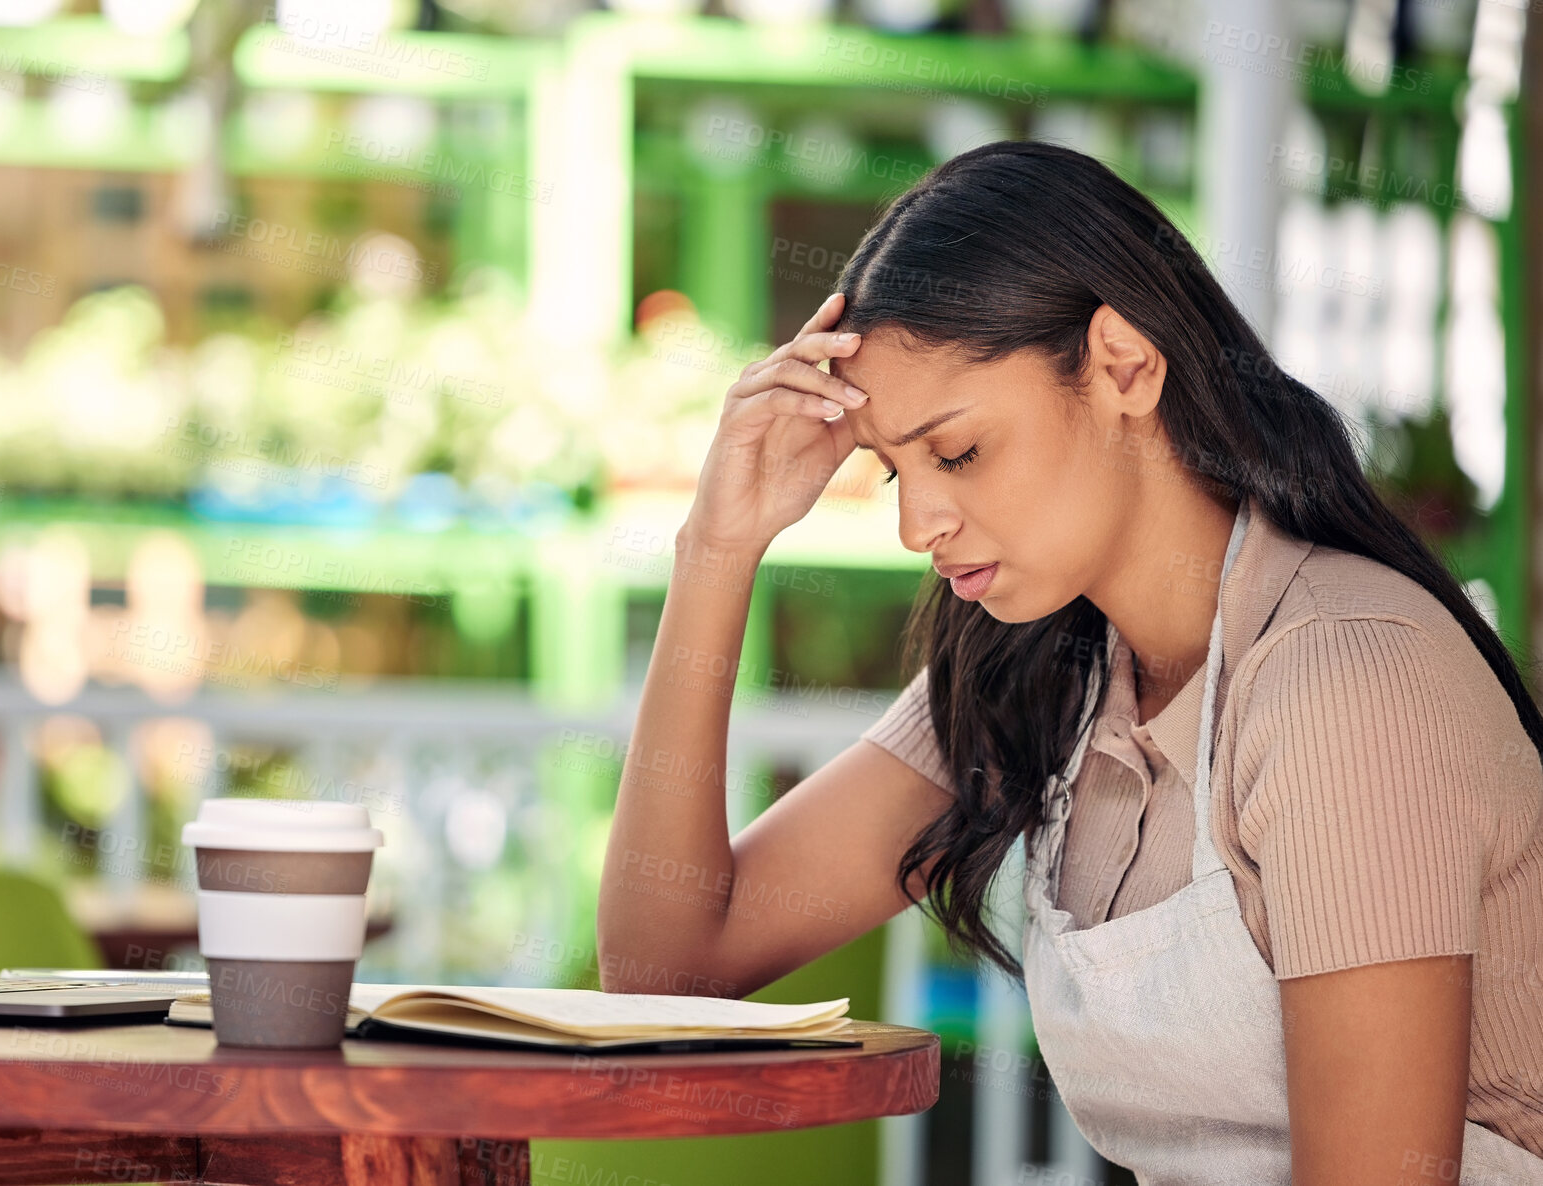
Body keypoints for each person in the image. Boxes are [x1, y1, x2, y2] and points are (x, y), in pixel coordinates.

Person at [594, 140, 1543, 1183]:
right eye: (888, 468)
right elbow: (665, 971)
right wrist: (716, 548)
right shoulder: (1046, 668)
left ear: (1122, 365)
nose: (916, 522)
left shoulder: (1343, 683)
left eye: (955, 453)